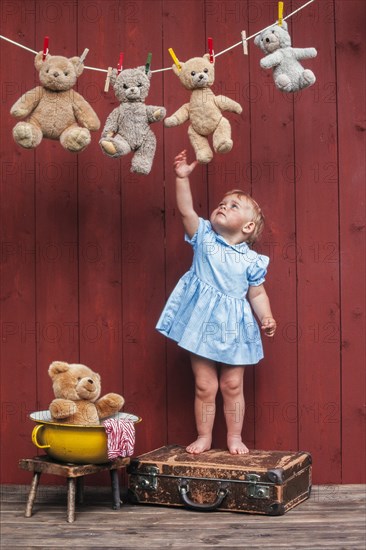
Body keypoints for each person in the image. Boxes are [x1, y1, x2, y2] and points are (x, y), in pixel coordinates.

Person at [156, 150, 277, 455]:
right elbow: (185, 211)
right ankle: (205, 436)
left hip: (235, 327)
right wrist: (182, 178)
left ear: (247, 228)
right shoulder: (205, 237)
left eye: (233, 206)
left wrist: (267, 317)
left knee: (232, 385)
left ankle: (234, 437)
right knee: (205, 386)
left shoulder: (252, 260)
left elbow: (257, 293)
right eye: (222, 203)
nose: (223, 206)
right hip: (201, 324)